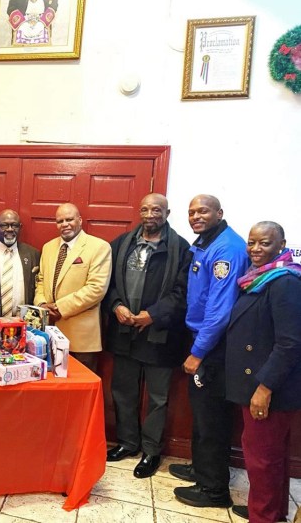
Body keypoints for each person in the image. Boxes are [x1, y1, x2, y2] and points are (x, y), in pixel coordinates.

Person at [103, 194, 190, 478]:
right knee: (123, 392)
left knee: (157, 398)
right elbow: (107, 283)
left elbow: (183, 293)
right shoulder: (121, 244)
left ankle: (151, 451)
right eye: (145, 209)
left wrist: (153, 314)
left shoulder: (181, 249)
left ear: (167, 212)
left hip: (160, 335)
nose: (150, 214)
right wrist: (116, 306)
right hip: (124, 330)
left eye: (156, 209)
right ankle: (128, 443)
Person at [171, 194, 248, 509]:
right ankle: (201, 469)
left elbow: (220, 310)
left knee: (212, 417)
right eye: (191, 212)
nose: (195, 216)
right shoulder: (205, 241)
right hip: (201, 336)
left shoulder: (226, 248)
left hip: (213, 345)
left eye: (202, 210)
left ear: (219, 212)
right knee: (201, 413)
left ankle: (214, 490)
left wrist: (199, 351)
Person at [225, 222, 301, 523]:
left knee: (262, 461)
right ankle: (272, 512)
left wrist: (264, 388)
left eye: (265, 244)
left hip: (269, 389)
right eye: (252, 242)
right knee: (270, 459)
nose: (256, 250)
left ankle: (263, 517)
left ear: (281, 245)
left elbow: (290, 344)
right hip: (259, 383)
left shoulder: (284, 282)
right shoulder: (261, 279)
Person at [34, 203, 111, 372]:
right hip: (50, 332)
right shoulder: (48, 247)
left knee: (80, 388)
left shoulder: (99, 247)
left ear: (80, 220)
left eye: (69, 219)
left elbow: (96, 288)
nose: (65, 224)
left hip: (81, 339)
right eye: (60, 221)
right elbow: (40, 280)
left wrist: (60, 307)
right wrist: (41, 305)